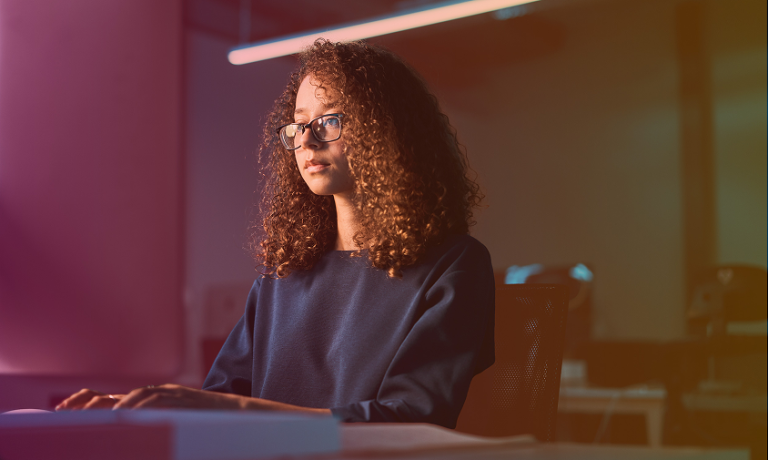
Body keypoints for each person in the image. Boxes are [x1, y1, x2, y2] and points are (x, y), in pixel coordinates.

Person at [56, 39, 494, 428]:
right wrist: (141, 406)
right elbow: (222, 398)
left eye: (329, 121)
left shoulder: (454, 265)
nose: (307, 141)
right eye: (299, 125)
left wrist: (230, 410)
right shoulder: (282, 276)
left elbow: (411, 418)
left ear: (386, 127)